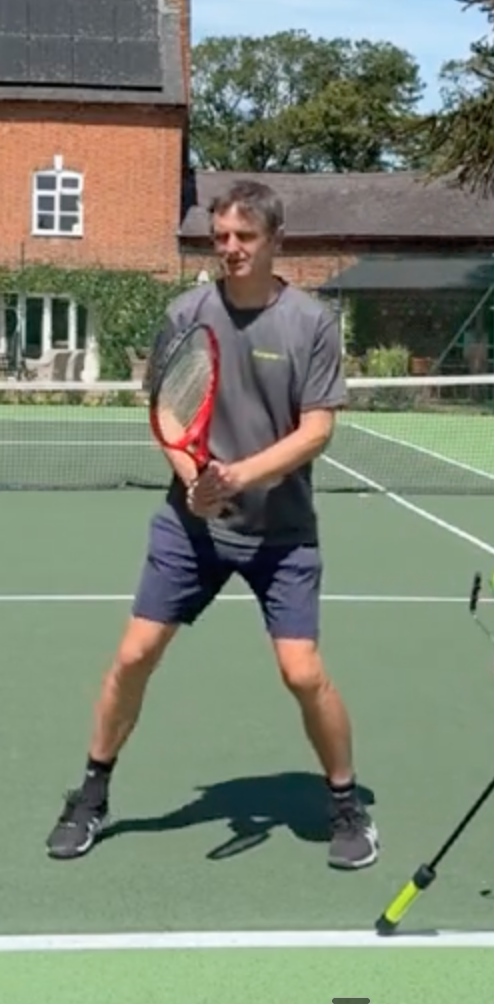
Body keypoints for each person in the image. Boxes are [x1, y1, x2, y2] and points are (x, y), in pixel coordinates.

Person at [45, 178, 378, 871]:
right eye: (220, 237)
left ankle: (347, 806)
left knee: (301, 672)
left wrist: (241, 476)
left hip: (281, 533)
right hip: (189, 528)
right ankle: (92, 793)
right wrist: (193, 475)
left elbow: (317, 429)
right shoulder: (186, 313)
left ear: (274, 240)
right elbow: (168, 410)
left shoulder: (310, 322)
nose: (230, 249)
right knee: (135, 655)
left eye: (244, 237)